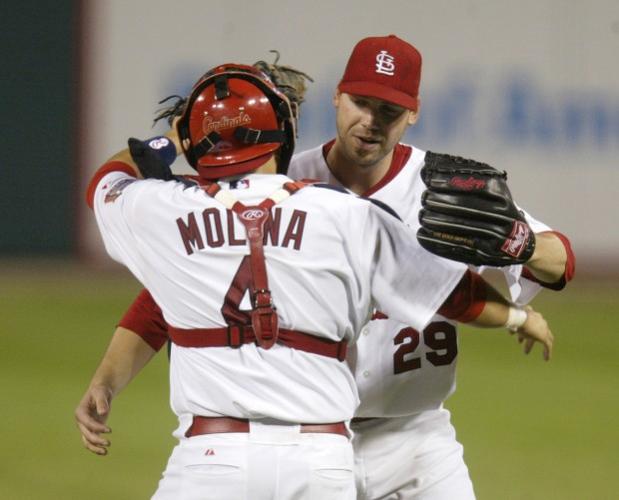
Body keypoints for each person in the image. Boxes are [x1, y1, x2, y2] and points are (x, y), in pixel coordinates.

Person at [76, 62, 553, 500]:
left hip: (212, 459)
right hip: (321, 461)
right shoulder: (345, 213)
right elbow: (453, 294)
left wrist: (173, 140)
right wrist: (516, 315)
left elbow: (108, 178)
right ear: (281, 135)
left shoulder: (162, 210)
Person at [286, 35, 576, 499]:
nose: (370, 122)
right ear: (337, 96)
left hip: (417, 440)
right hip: (304, 439)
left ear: (413, 113)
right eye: (360, 102)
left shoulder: (443, 189)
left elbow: (561, 263)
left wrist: (519, 244)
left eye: (389, 111)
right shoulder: (286, 185)